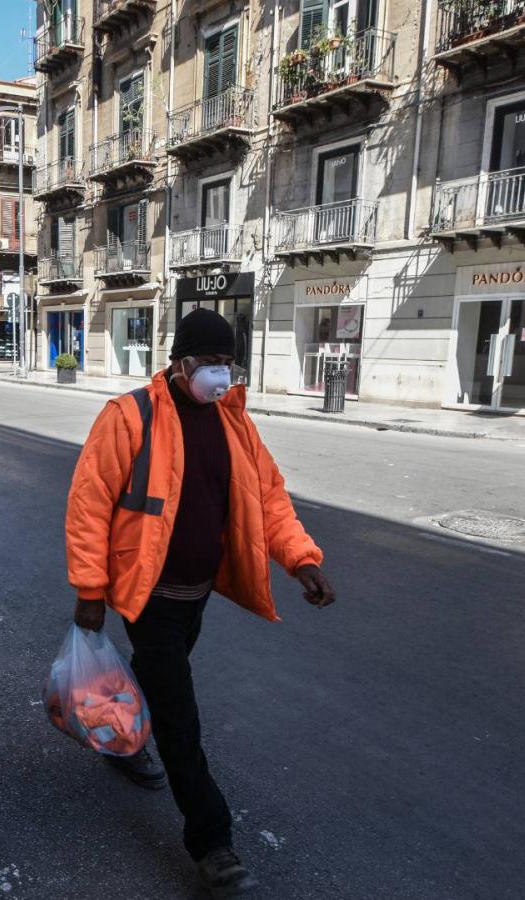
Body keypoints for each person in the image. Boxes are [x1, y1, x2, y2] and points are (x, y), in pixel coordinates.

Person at [64, 308, 335, 899]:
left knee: (156, 682)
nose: (218, 374)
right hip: (148, 597)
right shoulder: (130, 416)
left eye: (226, 363)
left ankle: (121, 740)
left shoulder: (234, 422)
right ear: (179, 362)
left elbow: (269, 499)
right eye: (208, 363)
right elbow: (89, 505)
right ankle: (212, 843)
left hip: (195, 596)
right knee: (180, 717)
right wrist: (90, 591)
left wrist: (301, 560)